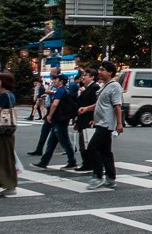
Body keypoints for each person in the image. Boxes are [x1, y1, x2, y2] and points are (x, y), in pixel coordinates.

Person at [84, 61, 123, 190]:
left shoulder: (115, 86)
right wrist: (87, 109)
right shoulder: (104, 86)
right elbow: (100, 105)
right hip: (101, 122)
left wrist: (119, 123)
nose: (99, 72)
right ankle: (111, 178)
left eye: (102, 70)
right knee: (105, 151)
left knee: (92, 148)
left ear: (110, 72)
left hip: (106, 124)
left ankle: (98, 175)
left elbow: (117, 106)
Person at [33, 74, 78, 171]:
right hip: (59, 120)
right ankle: (43, 162)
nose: (53, 81)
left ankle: (72, 162)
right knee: (51, 143)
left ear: (61, 81)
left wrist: (49, 115)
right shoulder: (62, 91)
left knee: (65, 142)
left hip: (59, 120)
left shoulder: (60, 91)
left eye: (55, 79)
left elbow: (55, 104)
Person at [73, 68, 99, 173]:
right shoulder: (87, 88)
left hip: (88, 119)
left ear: (92, 77)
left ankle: (88, 163)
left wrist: (94, 119)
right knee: (83, 142)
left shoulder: (94, 87)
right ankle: (87, 163)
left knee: (86, 143)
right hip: (83, 119)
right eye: (83, 75)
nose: (83, 77)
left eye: (86, 75)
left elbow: (96, 104)